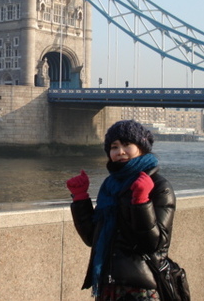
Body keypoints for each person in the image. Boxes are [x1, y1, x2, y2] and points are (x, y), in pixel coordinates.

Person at [66, 120, 176, 301]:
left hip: (142, 287)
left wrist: (141, 201)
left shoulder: (158, 186)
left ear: (141, 147)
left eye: (127, 145)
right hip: (108, 283)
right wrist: (80, 199)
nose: (120, 152)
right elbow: (92, 237)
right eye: (114, 147)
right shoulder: (109, 186)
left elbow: (152, 244)